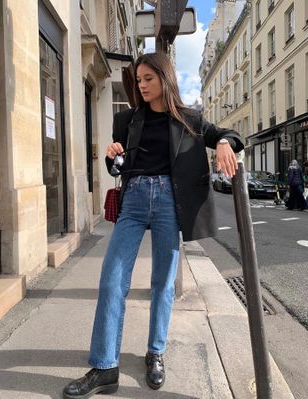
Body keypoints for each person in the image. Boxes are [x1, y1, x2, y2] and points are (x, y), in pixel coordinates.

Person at [62, 52, 244, 399]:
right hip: (133, 201)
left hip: (168, 204)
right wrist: (111, 156)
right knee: (112, 279)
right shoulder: (126, 120)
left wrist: (222, 142)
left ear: (165, 79)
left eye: (149, 78)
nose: (142, 85)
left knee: (163, 281)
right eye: (139, 80)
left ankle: (155, 352)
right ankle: (105, 366)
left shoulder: (190, 119)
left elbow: (229, 132)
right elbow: (118, 167)